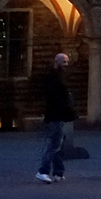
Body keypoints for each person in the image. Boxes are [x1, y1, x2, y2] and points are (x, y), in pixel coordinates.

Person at [36, 52, 76, 183]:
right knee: (55, 144)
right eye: (64, 62)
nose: (66, 64)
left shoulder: (59, 76)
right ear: (57, 62)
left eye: (67, 62)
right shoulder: (52, 78)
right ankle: (43, 170)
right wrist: (66, 108)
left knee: (60, 143)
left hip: (59, 115)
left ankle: (58, 172)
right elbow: (55, 99)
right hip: (55, 115)